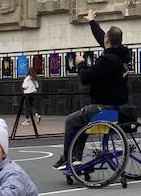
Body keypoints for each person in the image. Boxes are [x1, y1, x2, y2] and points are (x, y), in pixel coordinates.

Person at [52, 10, 132, 169]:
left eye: (105, 37)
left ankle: (68, 158)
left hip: (104, 107)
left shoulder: (106, 60)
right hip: (120, 107)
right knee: (81, 120)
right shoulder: (121, 55)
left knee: (72, 120)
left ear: (107, 40)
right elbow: (102, 37)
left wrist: (80, 64)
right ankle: (75, 158)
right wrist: (92, 21)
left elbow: (86, 78)